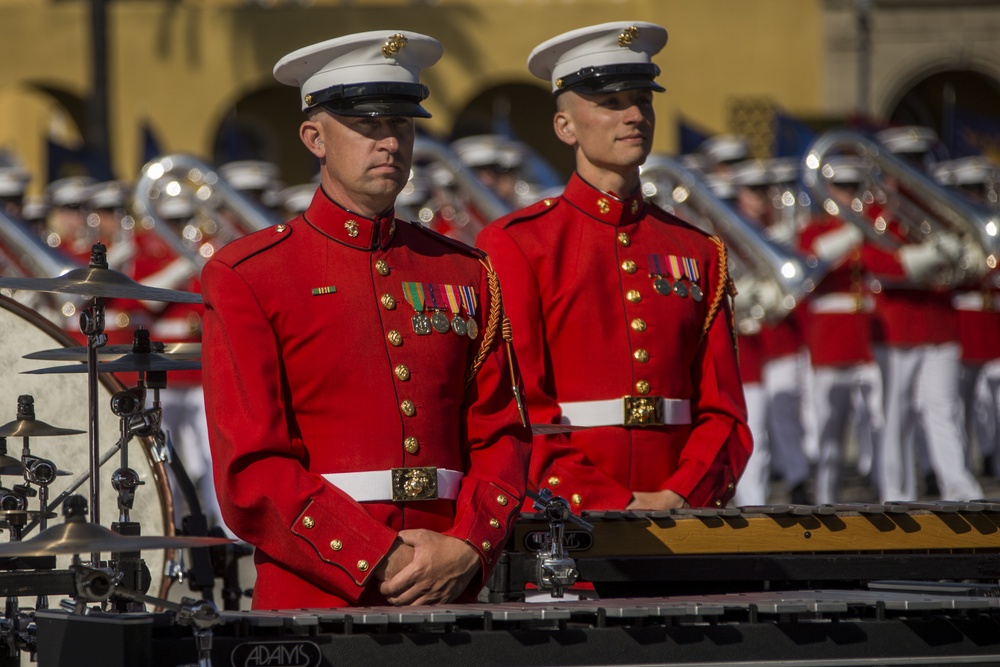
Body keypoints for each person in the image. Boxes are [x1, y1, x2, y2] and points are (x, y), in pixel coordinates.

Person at [201, 30, 531, 609]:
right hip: (317, 591)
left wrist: (468, 548)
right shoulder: (249, 273)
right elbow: (253, 469)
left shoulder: (465, 272)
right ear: (314, 137)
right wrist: (378, 557)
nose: (389, 143)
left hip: (450, 584)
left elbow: (501, 432)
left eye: (401, 125)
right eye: (367, 125)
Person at [477, 21, 752, 511]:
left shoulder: (698, 250)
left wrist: (679, 496)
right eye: (611, 103)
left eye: (642, 100)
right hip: (567, 522)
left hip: (685, 519)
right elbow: (522, 414)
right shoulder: (520, 245)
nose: (634, 115)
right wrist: (612, 503)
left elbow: (724, 412)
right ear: (565, 127)